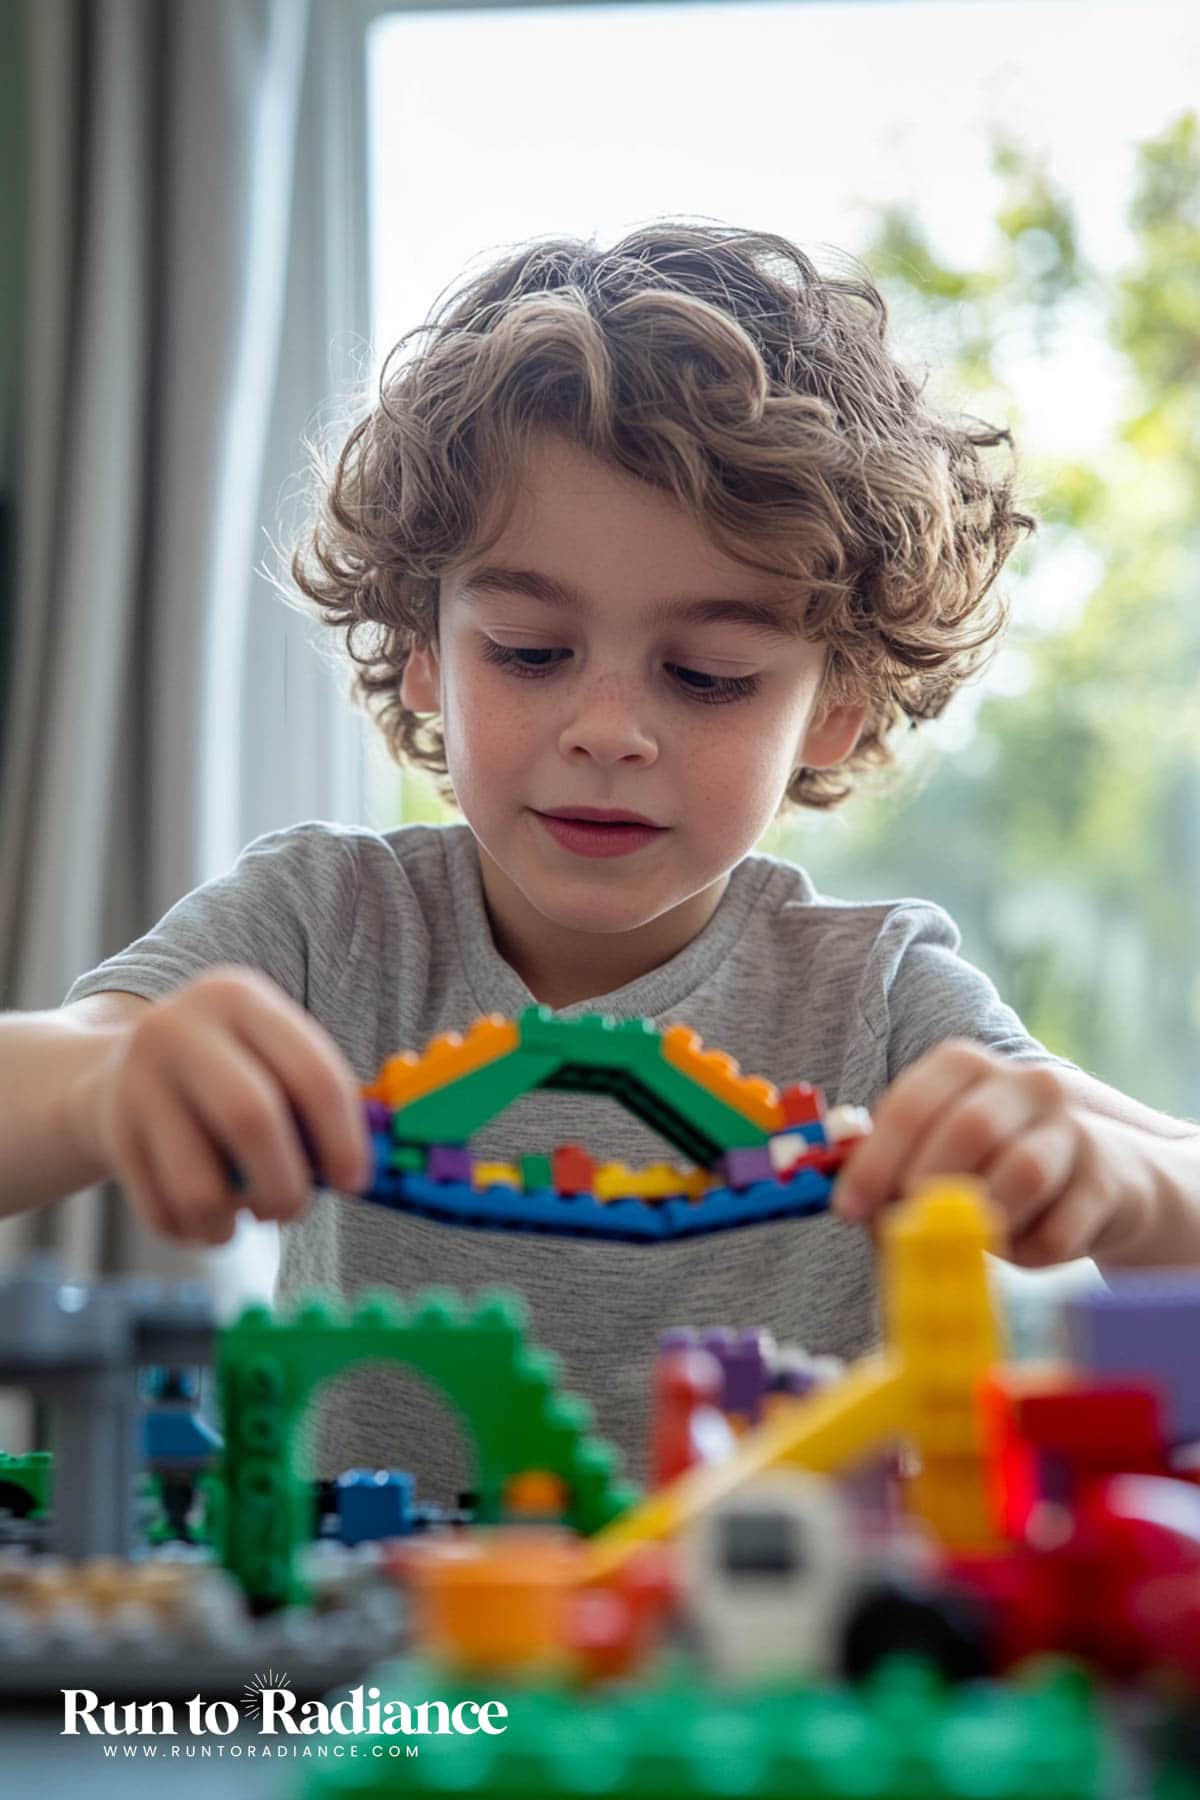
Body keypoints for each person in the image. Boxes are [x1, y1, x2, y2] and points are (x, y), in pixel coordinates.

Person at [2, 223, 1196, 1497]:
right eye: (527, 650)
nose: (609, 732)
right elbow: (54, 1071)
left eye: (708, 676)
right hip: (386, 1673)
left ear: (835, 708)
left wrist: (1124, 1188)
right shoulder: (322, 921)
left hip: (756, 1679)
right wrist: (104, 1084)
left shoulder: (882, 996)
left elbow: (1169, 1172)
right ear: (426, 653)